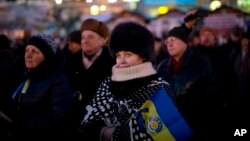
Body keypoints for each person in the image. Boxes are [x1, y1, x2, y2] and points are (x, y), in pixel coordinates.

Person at [80, 22, 193, 141]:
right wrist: (104, 131)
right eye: (118, 55)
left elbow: (164, 132)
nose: (121, 61)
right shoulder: (108, 84)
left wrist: (113, 133)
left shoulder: (158, 88)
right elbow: (87, 123)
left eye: (128, 54)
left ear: (142, 57)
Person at [157, 26, 223, 140]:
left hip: (195, 124)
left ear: (185, 43)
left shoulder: (201, 65)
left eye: (173, 40)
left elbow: (214, 97)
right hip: (169, 124)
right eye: (167, 41)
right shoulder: (162, 67)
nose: (169, 44)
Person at [9, 34, 76, 140]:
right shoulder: (26, 76)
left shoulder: (58, 80)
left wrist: (21, 123)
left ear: (47, 57)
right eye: (27, 50)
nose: (28, 55)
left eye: (34, 51)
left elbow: (59, 119)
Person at [64, 18, 115, 120]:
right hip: (74, 117)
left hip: (102, 117)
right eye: (83, 37)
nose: (85, 41)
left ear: (103, 40)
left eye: (90, 37)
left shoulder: (112, 61)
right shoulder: (71, 61)